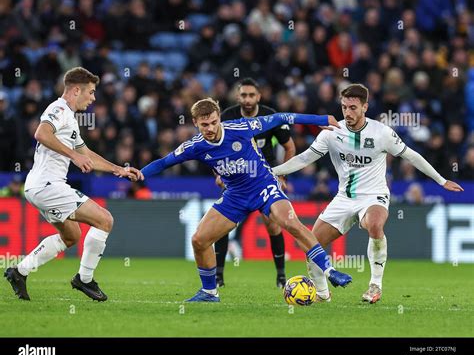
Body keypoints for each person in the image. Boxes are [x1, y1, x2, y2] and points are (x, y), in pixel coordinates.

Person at [141, 98, 352, 302]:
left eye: (214, 122)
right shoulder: (194, 146)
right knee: (199, 240)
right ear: (195, 123)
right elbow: (164, 162)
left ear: (219, 118)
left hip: (264, 186)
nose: (211, 128)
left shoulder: (240, 127)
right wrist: (140, 174)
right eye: (204, 125)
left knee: (290, 223)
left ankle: (330, 270)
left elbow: (279, 118)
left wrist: (321, 120)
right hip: (235, 195)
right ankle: (209, 292)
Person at [273, 84, 463, 303]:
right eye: (344, 107)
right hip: (344, 197)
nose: (347, 112)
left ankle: (375, 285)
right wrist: (272, 172)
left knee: (374, 224)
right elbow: (304, 159)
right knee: (310, 243)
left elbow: (411, 156)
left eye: (353, 107)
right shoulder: (332, 133)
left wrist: (441, 180)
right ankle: (322, 293)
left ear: (365, 107)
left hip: (374, 195)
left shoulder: (382, 133)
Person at [4, 67, 143, 302]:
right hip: (47, 185)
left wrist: (118, 169)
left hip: (40, 187)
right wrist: (74, 156)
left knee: (71, 236)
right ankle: (84, 279)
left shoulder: (70, 117)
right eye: (91, 92)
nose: (94, 97)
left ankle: (19, 271)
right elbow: (41, 133)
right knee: (104, 219)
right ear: (76, 90)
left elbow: (86, 153)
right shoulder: (58, 109)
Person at [215, 78, 296, 288]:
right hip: (238, 176)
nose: (248, 99)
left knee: (273, 225)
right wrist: (219, 173)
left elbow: (290, 147)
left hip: (265, 175)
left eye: (251, 95)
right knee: (223, 226)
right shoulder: (227, 117)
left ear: (258, 96)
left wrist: (282, 175)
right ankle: (219, 276)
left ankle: (280, 276)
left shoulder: (270, 116)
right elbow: (215, 148)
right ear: (237, 96)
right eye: (243, 95)